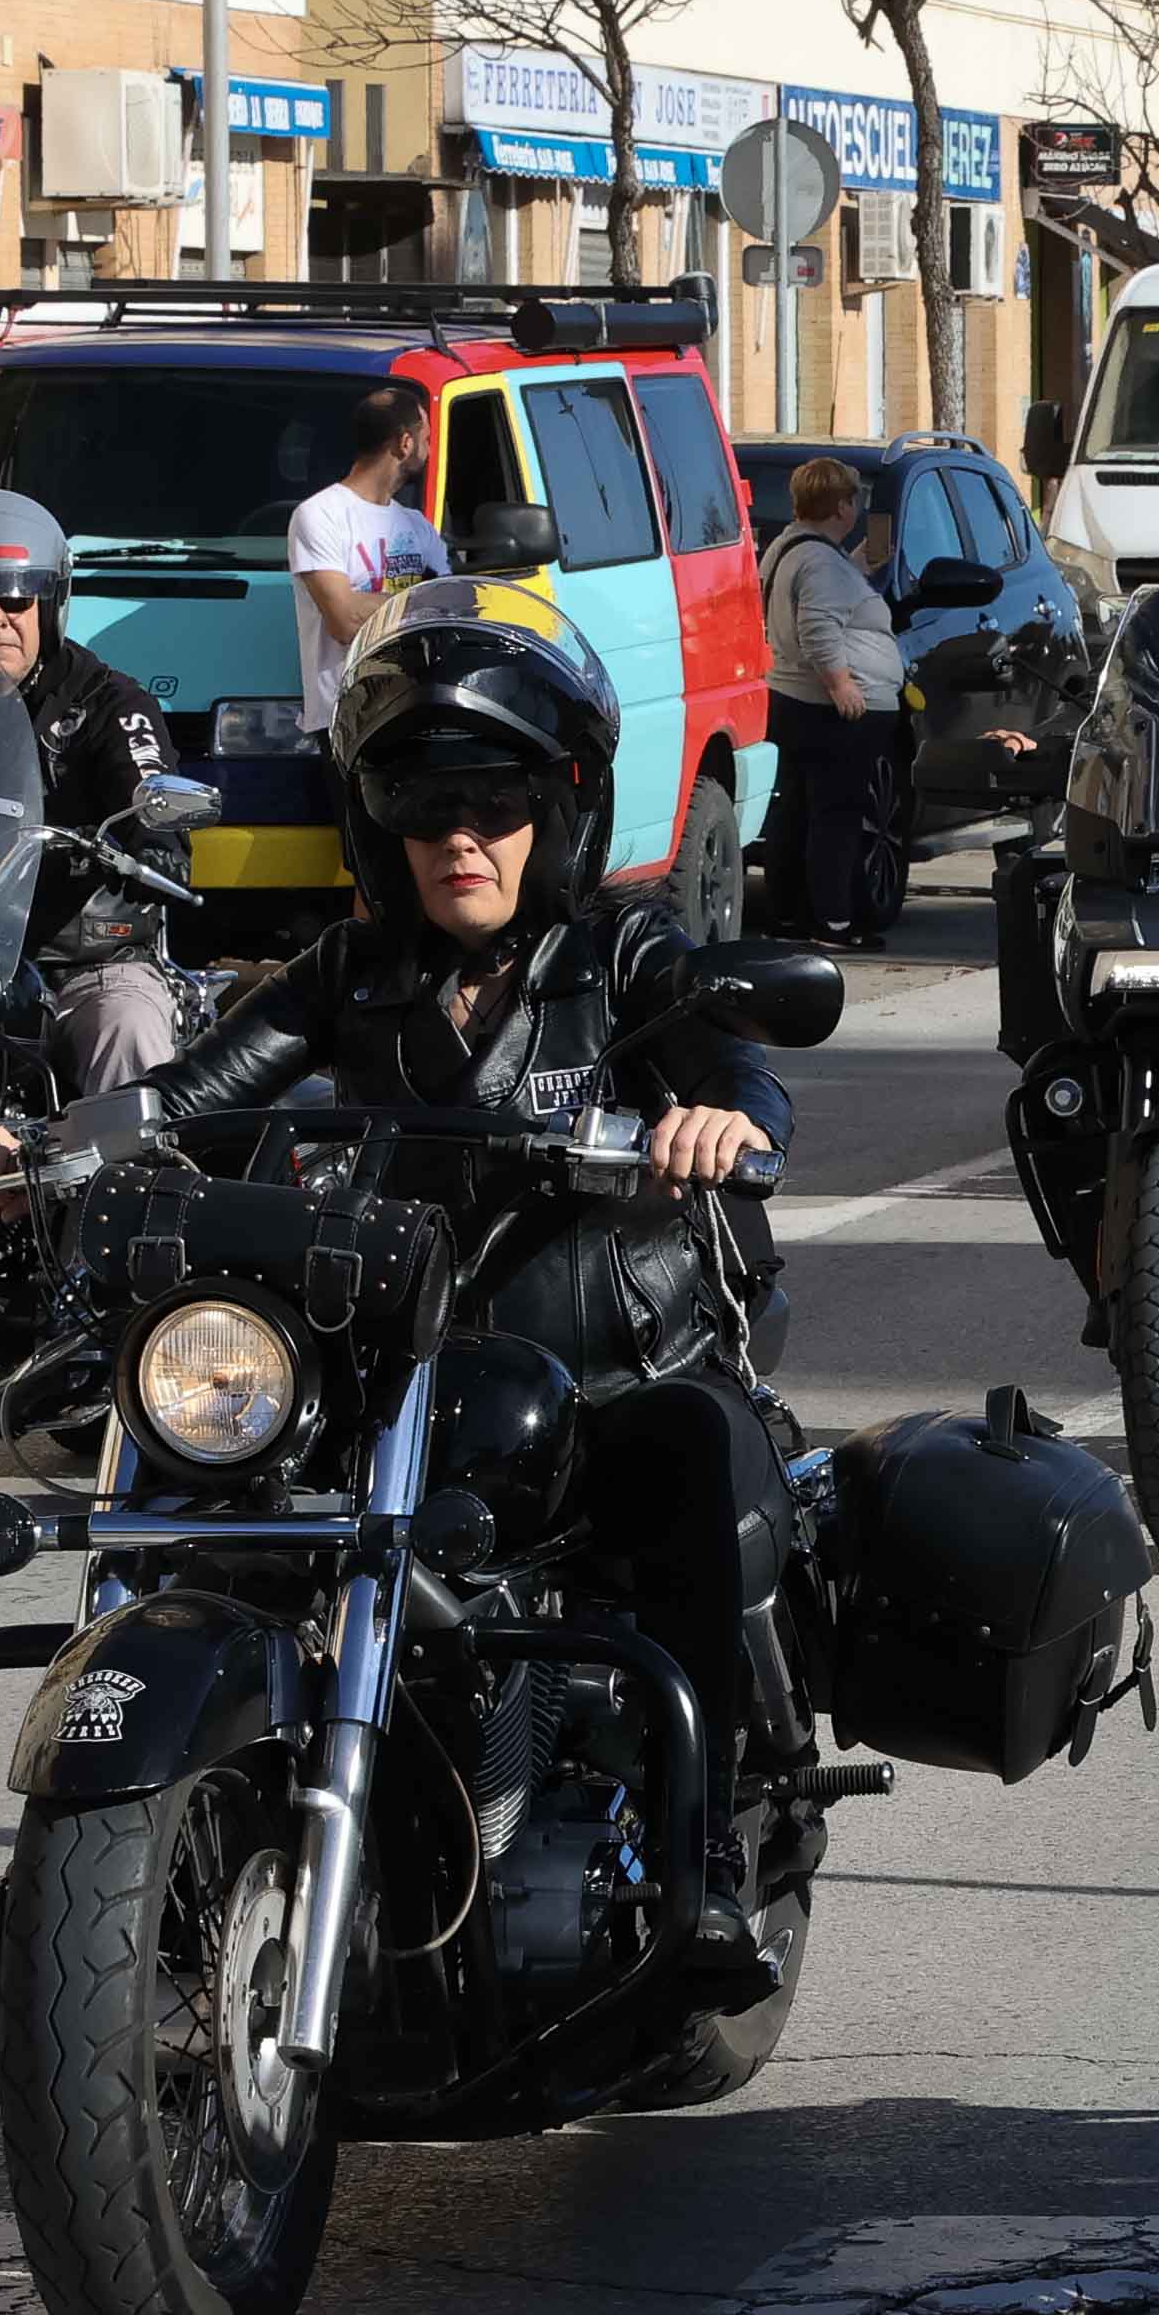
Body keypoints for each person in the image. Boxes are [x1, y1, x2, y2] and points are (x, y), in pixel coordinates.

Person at [124, 579, 808, 2003]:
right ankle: (128, 1838)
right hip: (395, 1370)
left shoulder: (620, 953)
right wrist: (44, 1144)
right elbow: (191, 1095)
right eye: (424, 805)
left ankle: (704, 1865)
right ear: (377, 823)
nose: (460, 838)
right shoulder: (350, 971)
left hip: (603, 1369)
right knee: (202, 1477)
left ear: (557, 812)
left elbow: (734, 1058)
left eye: (495, 802)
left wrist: (725, 1117)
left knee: (698, 1454)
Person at [0, 490, 184, 1093]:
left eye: (16, 599)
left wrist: (154, 842)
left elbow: (147, 786)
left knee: (127, 1033)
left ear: (47, 608)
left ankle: (135, 1158)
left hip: (86, 965)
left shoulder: (109, 704)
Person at [755, 457, 904, 949]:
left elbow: (822, 598)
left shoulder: (792, 548)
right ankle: (833, 921)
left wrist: (858, 566)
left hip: (792, 699)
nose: (856, 508)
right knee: (835, 816)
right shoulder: (819, 562)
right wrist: (842, 685)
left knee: (796, 811)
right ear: (841, 506)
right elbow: (818, 626)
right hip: (831, 709)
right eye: (853, 500)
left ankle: (788, 915)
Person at [285, 378, 447, 743]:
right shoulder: (320, 515)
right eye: (426, 439)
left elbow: (449, 609)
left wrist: (372, 603)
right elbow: (344, 620)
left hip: (417, 707)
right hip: (348, 719)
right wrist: (421, 602)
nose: (429, 450)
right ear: (405, 443)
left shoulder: (417, 526)